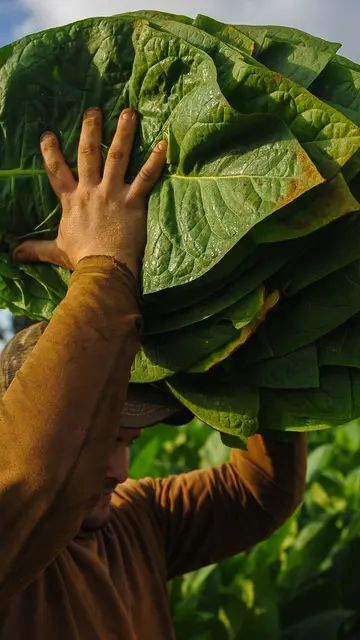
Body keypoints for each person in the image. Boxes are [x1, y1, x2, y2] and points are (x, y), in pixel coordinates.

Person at [0, 106, 307, 639]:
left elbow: (261, 491)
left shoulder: (134, 523)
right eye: (101, 440)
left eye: (128, 441)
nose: (119, 469)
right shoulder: (13, 559)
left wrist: (255, 333)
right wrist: (103, 267)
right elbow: (31, 473)